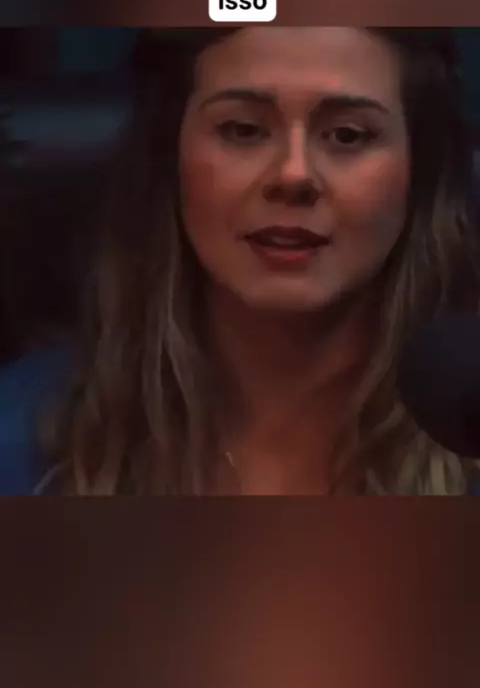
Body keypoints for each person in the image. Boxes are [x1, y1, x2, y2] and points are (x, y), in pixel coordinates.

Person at [38, 26, 480, 495]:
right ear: (170, 156)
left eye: (347, 135)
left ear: (419, 170)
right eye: (243, 130)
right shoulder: (19, 432)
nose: (293, 175)